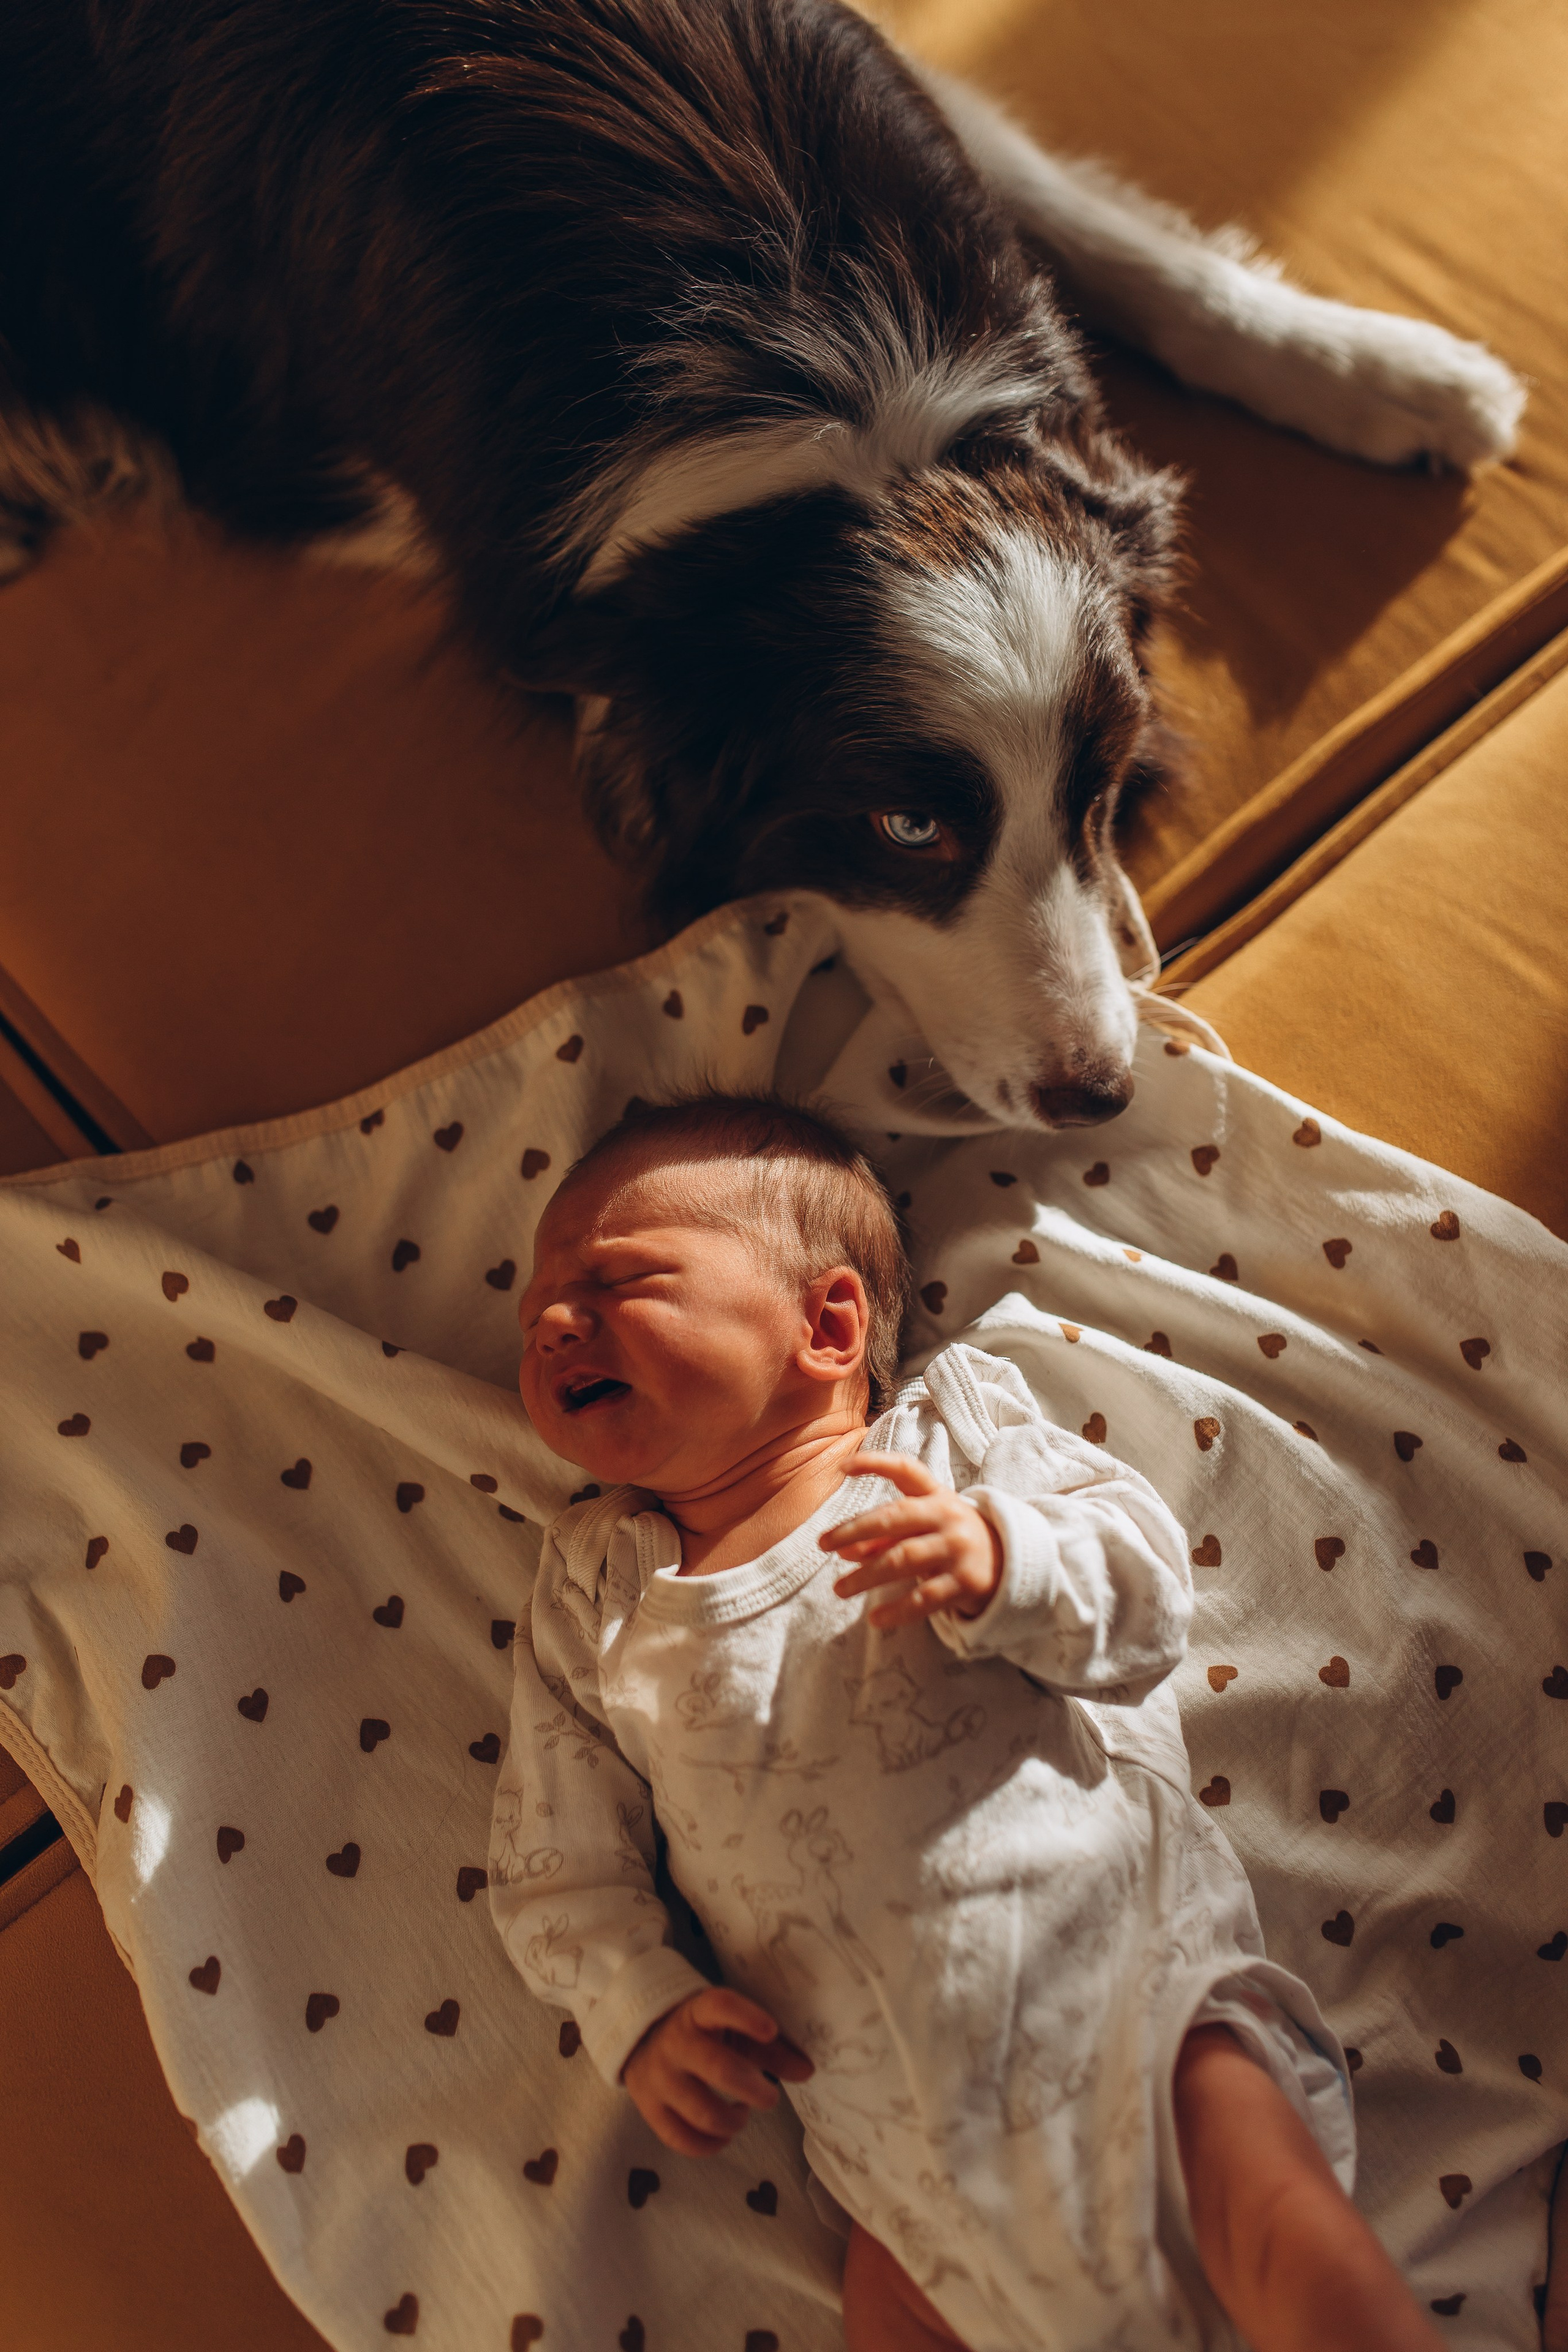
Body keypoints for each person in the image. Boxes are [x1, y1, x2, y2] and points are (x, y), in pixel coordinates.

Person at [489, 1092, 1442, 2352]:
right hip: (898, 2154)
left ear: (826, 1324)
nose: (557, 1323)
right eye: (537, 1313)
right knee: (885, 2313)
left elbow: (1148, 1594)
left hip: (1132, 2015)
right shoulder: (592, 1586)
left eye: (613, 1283)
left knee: (1272, 2227)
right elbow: (554, 1860)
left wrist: (1008, 1560)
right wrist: (637, 2004)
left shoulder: (951, 1440)